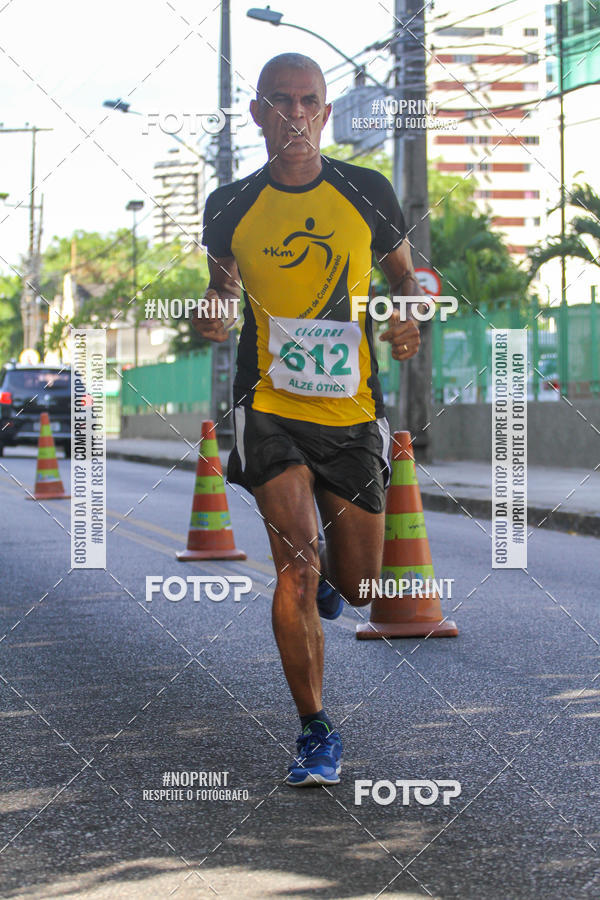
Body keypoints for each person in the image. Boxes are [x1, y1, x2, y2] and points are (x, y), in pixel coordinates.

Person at [195, 53, 421, 787]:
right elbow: (222, 284)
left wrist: (410, 316)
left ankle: (332, 581)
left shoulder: (368, 191)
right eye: (280, 102)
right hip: (268, 406)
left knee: (357, 590)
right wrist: (213, 309)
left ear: (325, 114)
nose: (295, 115)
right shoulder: (230, 203)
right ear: (258, 113)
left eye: (309, 102)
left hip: (353, 411)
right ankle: (315, 729)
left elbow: (407, 276)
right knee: (294, 564)